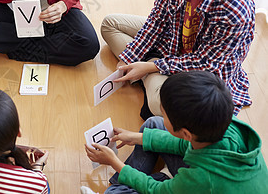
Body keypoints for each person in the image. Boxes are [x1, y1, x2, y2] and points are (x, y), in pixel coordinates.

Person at [101, 0, 255, 118]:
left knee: (161, 106)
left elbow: (206, 63)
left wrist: (151, 66)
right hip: (173, 41)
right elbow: (157, 19)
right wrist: (128, 58)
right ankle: (149, 72)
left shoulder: (234, 11)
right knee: (110, 24)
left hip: (201, 72)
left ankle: (149, 71)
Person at [85, 71, 268, 194]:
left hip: (202, 183)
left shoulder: (203, 179)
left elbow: (156, 190)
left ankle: (139, 183)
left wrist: (115, 163)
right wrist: (137, 138)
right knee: (153, 125)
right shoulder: (226, 124)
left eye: (164, 113)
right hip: (207, 176)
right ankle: (143, 180)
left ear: (187, 133)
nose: (162, 115)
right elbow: (187, 143)